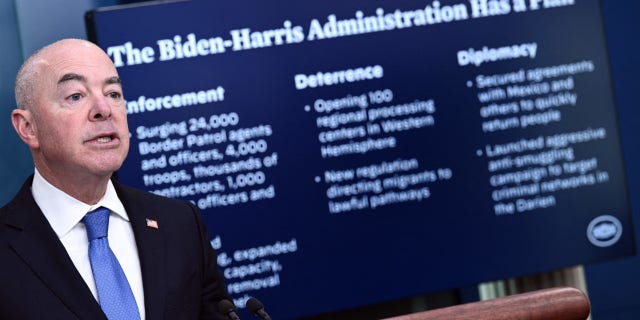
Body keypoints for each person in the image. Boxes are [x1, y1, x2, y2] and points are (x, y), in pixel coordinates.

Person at [0, 38, 231, 319]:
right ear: (28, 127)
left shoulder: (180, 223)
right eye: (75, 96)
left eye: (113, 93)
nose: (104, 109)